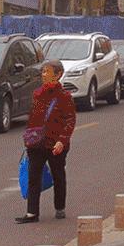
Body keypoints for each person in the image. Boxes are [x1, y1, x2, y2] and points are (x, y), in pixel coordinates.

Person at [15, 59, 76, 224]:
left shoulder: (65, 97)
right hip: (37, 143)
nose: (43, 75)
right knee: (33, 176)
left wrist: (62, 141)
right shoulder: (38, 94)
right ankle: (32, 213)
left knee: (58, 175)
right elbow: (34, 118)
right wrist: (29, 138)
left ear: (58, 75)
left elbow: (70, 121)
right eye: (42, 72)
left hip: (56, 144)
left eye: (47, 72)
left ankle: (60, 207)